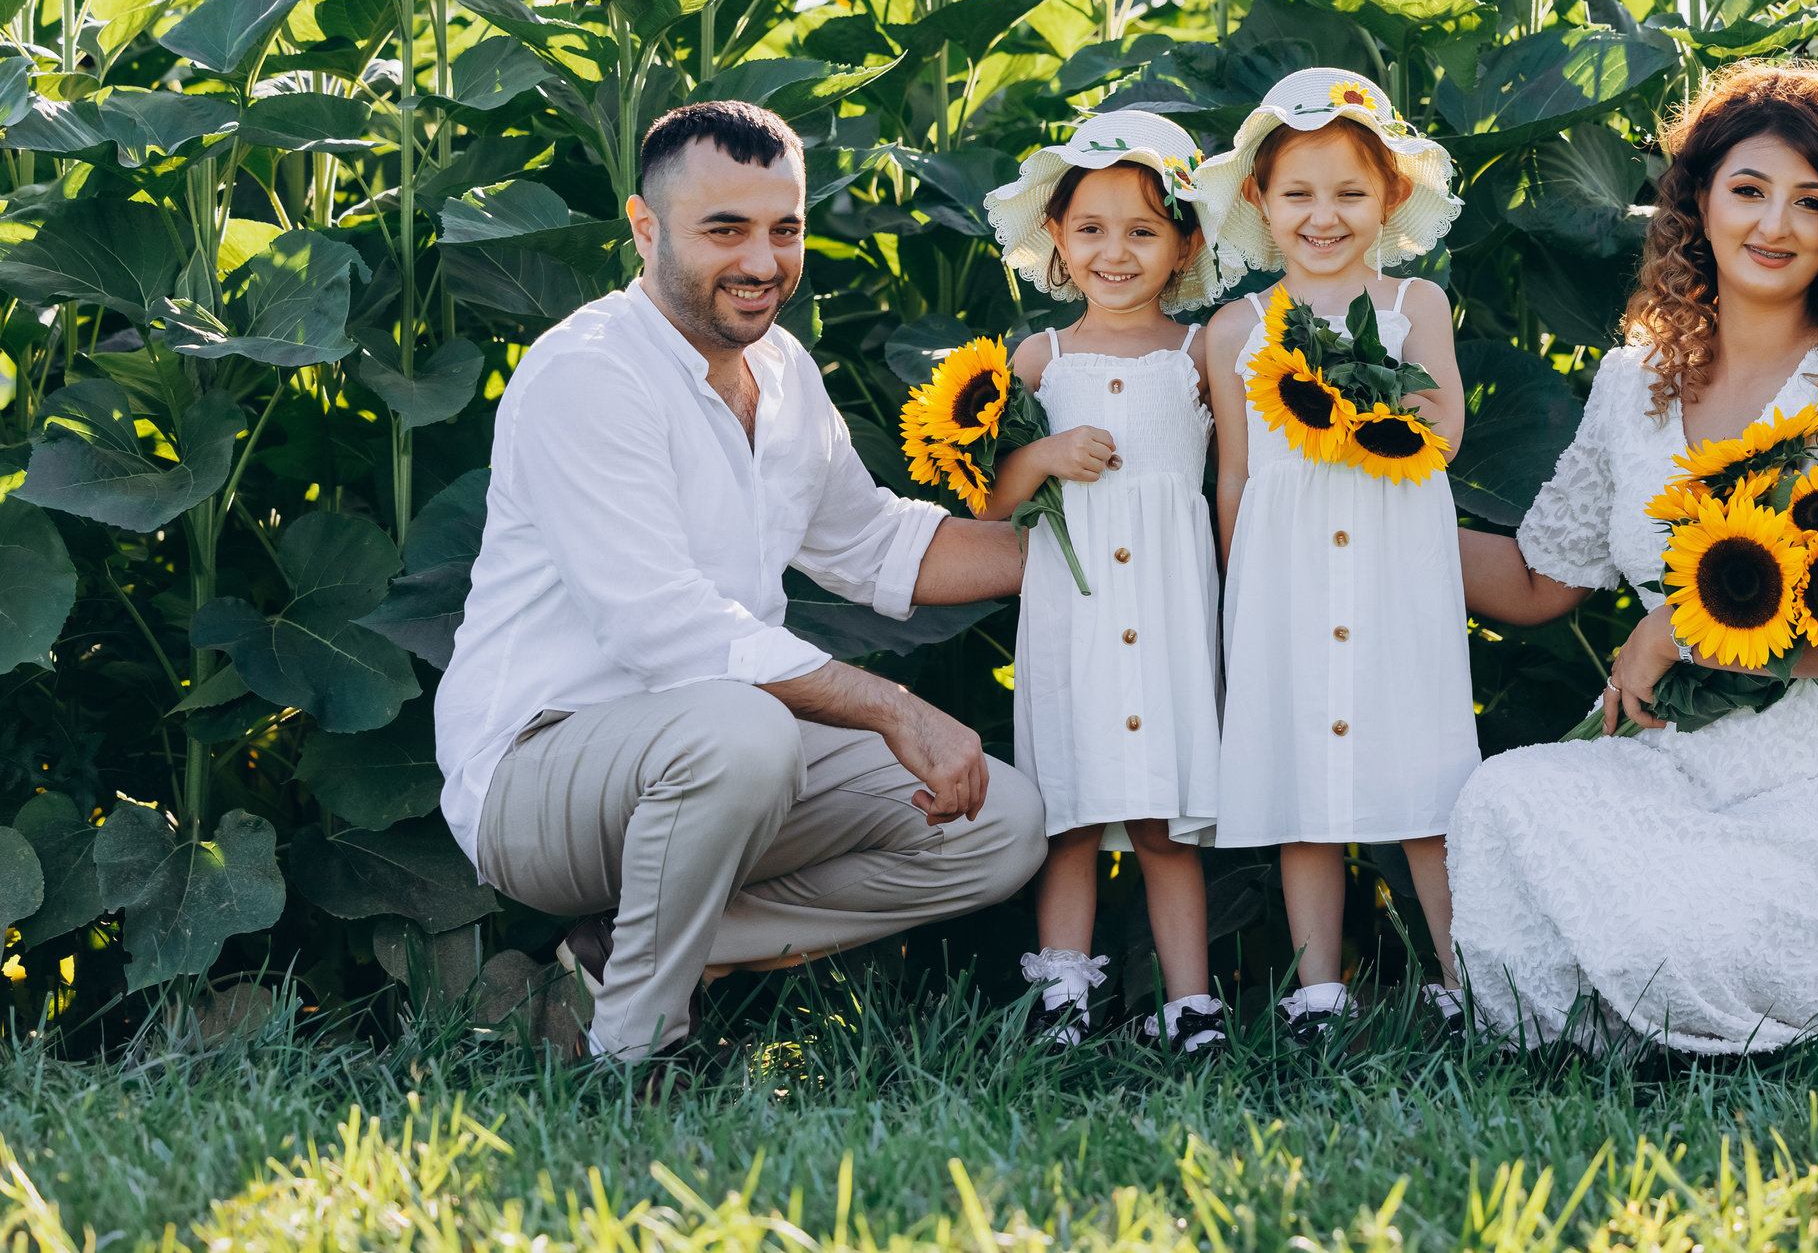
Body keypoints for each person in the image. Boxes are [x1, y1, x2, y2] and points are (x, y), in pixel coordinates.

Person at [434, 100, 1046, 1067]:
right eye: (726, 231)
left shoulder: (785, 372)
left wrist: (1099, 549)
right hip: (537, 774)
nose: (763, 262)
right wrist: (894, 708)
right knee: (744, 728)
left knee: (999, 827)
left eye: (785, 229)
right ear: (645, 227)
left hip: (718, 757)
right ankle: (635, 1060)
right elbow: (666, 630)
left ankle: (623, 960)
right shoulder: (589, 375)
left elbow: (879, 543)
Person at [1446, 59, 1818, 1076]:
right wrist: (1378, 512)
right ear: (1696, 203)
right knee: (1504, 802)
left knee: (1681, 934)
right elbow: (1532, 582)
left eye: (1811, 203)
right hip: (1675, 757)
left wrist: (1680, 628)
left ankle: (1729, 1011)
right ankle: (1634, 1031)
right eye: (1748, 190)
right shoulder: (1633, 384)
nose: (1774, 225)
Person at [1192, 68, 1479, 1036]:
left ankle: (1459, 977)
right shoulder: (1236, 330)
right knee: (1297, 783)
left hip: (1398, 583)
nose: (1324, 216)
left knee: (1426, 777)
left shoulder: (1412, 309)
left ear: (1391, 198)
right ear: (1259, 203)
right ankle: (1317, 988)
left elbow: (1440, 431)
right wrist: (1239, 590)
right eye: (1298, 194)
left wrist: (1366, 394)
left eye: (1351, 193)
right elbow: (1234, 475)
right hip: (1285, 583)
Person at [978, 111, 1233, 1052]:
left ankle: (1190, 1002)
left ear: (1184, 245)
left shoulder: (1198, 355)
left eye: (1142, 231)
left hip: (1167, 608)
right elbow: (997, 497)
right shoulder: (1041, 360)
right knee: (1071, 815)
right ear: (1056, 238)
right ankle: (1063, 997)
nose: (1113, 252)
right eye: (1090, 229)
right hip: (1073, 617)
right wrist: (1043, 451)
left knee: (1164, 822)